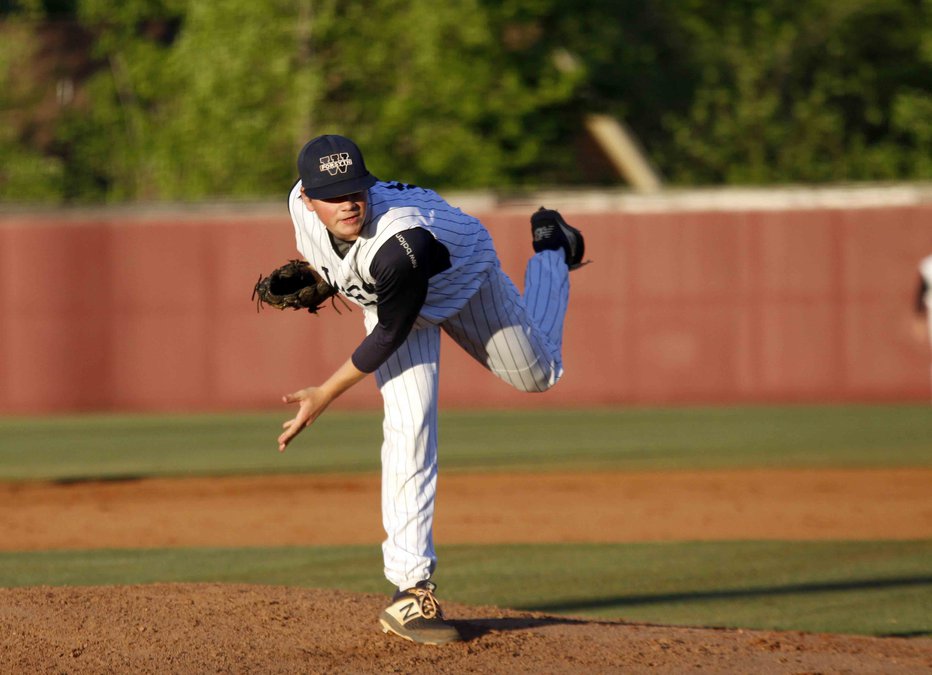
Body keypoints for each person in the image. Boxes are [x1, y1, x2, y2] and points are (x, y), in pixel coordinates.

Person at [276, 134, 586, 645]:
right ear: (305, 197)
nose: (349, 202)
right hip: (395, 302)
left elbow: (392, 330)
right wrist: (325, 276)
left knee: (539, 375)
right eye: (333, 195)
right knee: (409, 427)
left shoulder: (402, 240)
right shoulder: (299, 206)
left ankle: (554, 251)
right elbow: (351, 266)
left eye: (356, 189)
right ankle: (410, 590)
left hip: (463, 281)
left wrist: (324, 393)